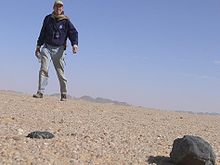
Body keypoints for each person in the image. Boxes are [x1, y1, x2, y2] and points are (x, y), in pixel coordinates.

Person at [33, 0, 78, 101]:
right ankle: (40, 91)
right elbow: (42, 32)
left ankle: (64, 93)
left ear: (62, 9)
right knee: (44, 68)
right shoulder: (48, 19)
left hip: (59, 50)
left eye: (60, 7)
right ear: (53, 8)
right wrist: (38, 46)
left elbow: (73, 33)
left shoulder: (66, 21)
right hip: (47, 47)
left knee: (60, 72)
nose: (58, 8)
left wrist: (74, 44)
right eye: (57, 7)